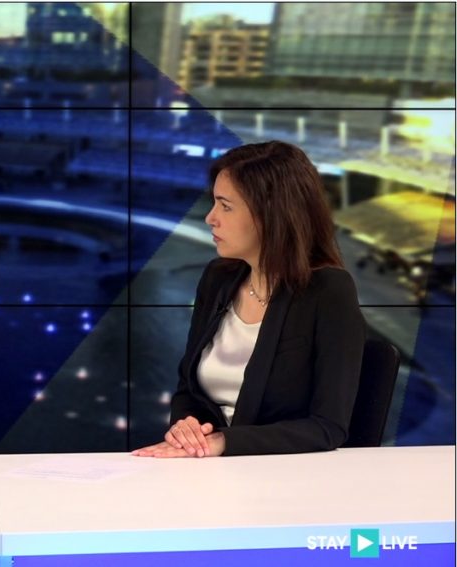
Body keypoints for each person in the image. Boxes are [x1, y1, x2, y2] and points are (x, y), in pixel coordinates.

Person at [132, 141, 365, 458]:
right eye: (214, 203)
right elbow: (188, 391)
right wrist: (188, 429)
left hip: (285, 475)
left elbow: (327, 427)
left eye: (225, 207)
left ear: (271, 214)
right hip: (209, 467)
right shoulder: (218, 278)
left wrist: (225, 442)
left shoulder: (329, 290)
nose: (210, 218)